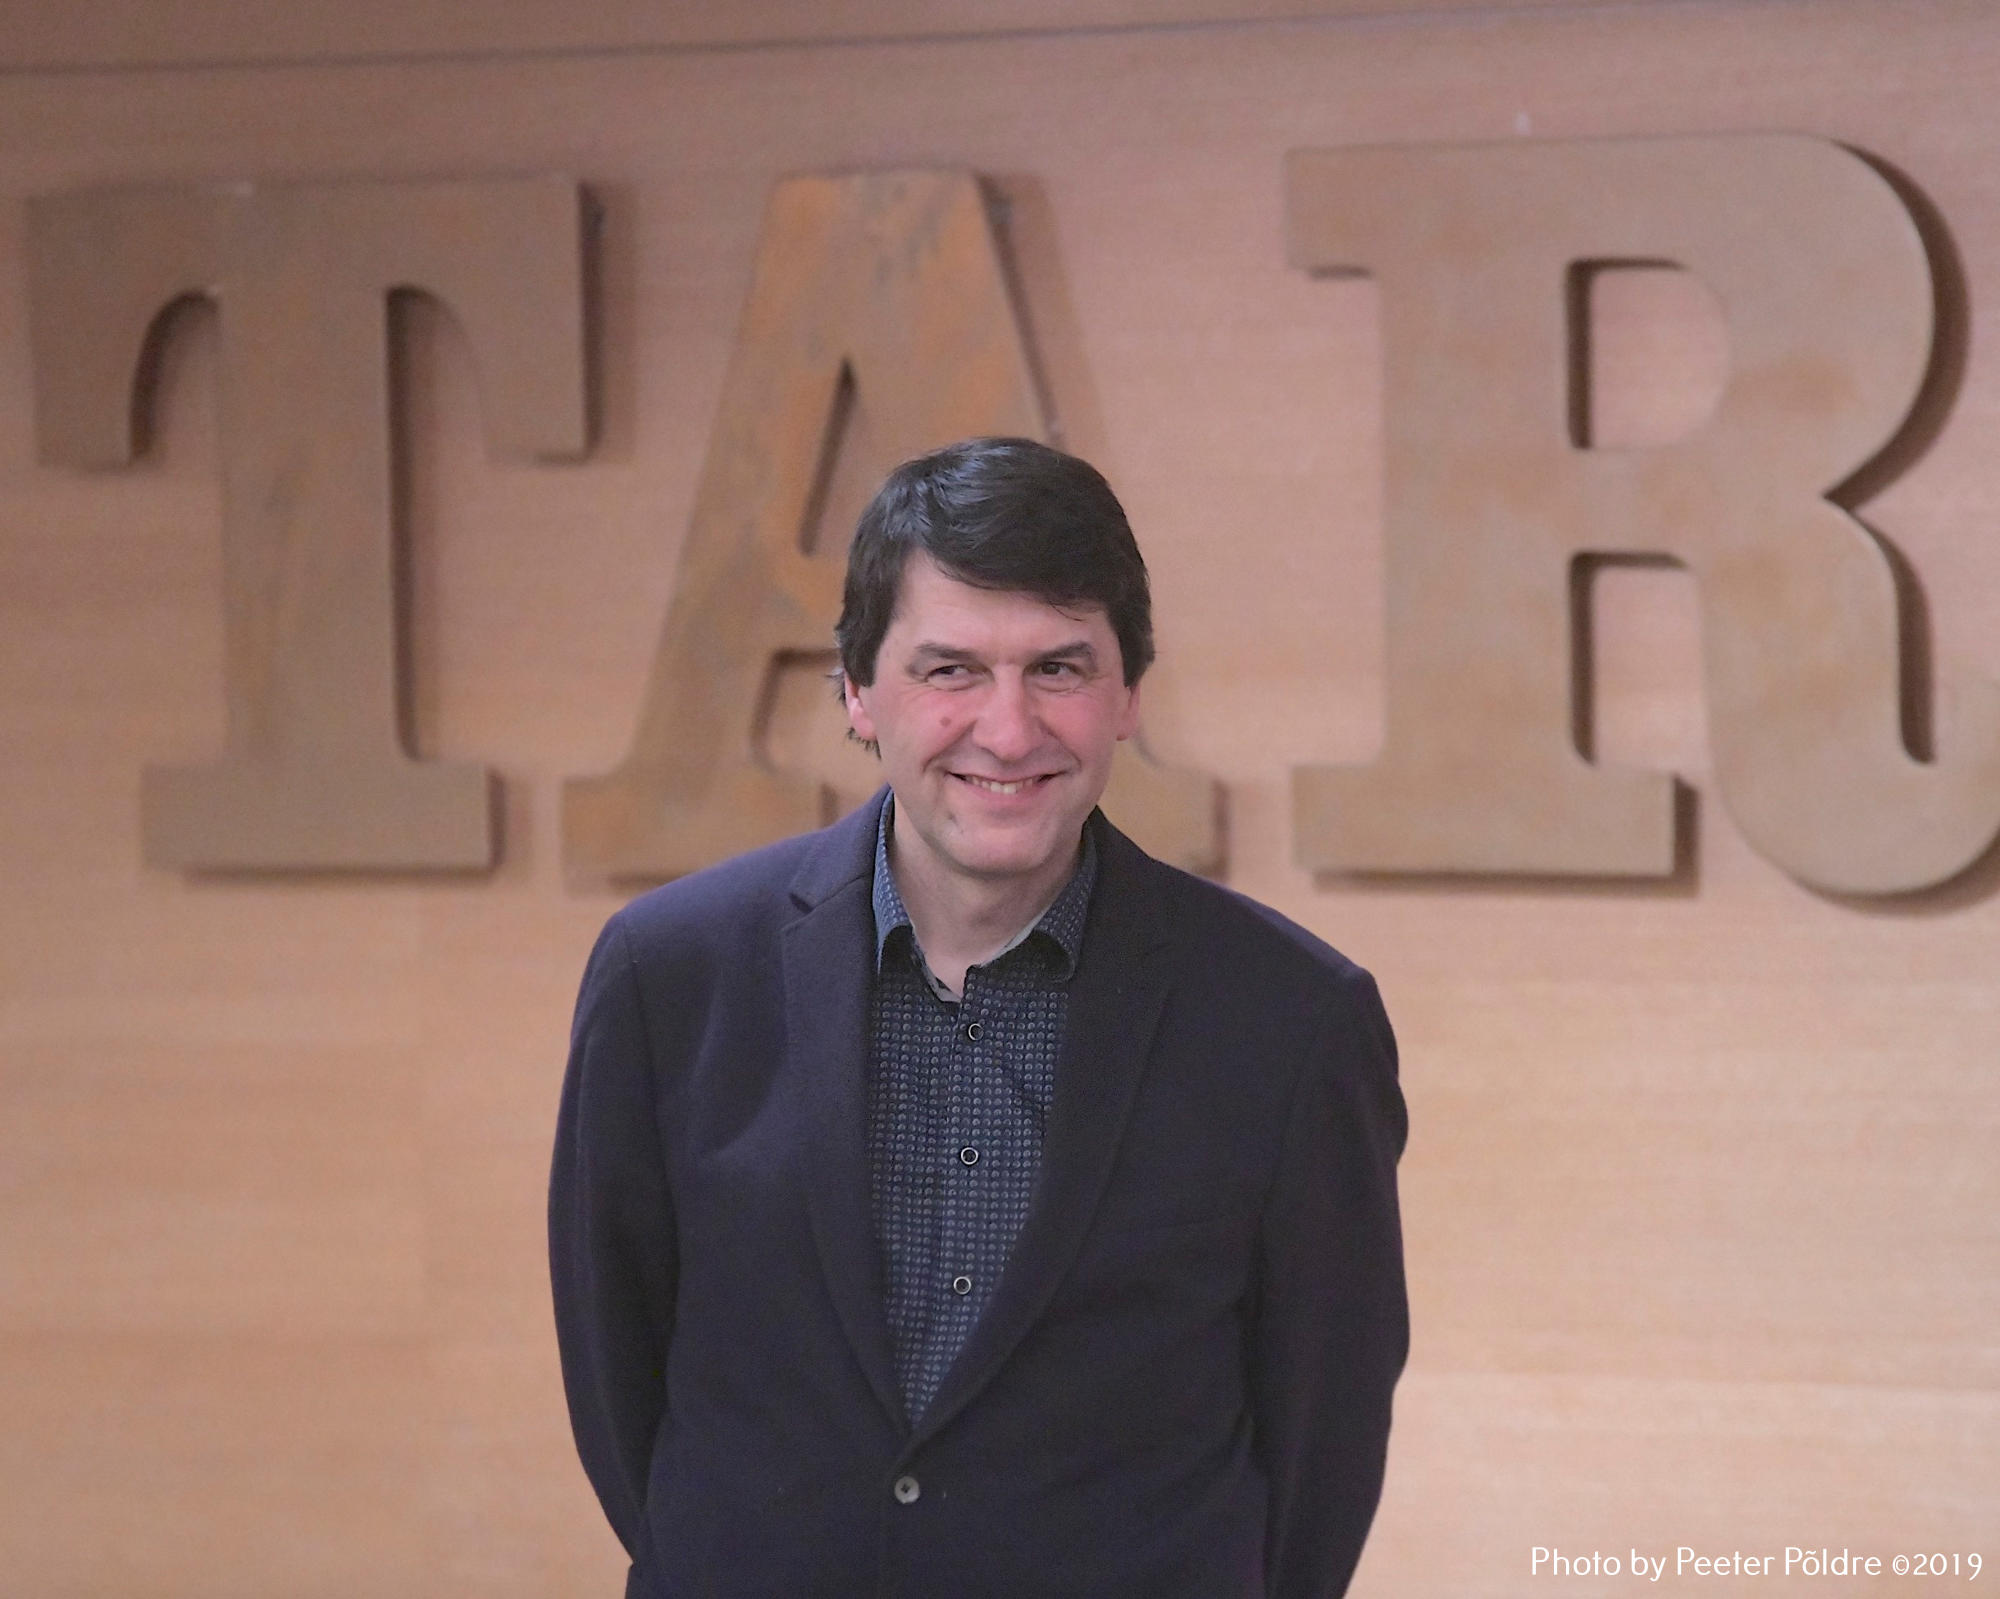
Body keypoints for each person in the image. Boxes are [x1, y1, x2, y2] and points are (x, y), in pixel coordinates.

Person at [549, 436, 1408, 1599]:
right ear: (857, 690)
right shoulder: (667, 978)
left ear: (1127, 695)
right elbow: (618, 1383)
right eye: (949, 670)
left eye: (1058, 667)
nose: (1007, 731)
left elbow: (1321, 1442)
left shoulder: (1292, 1022)